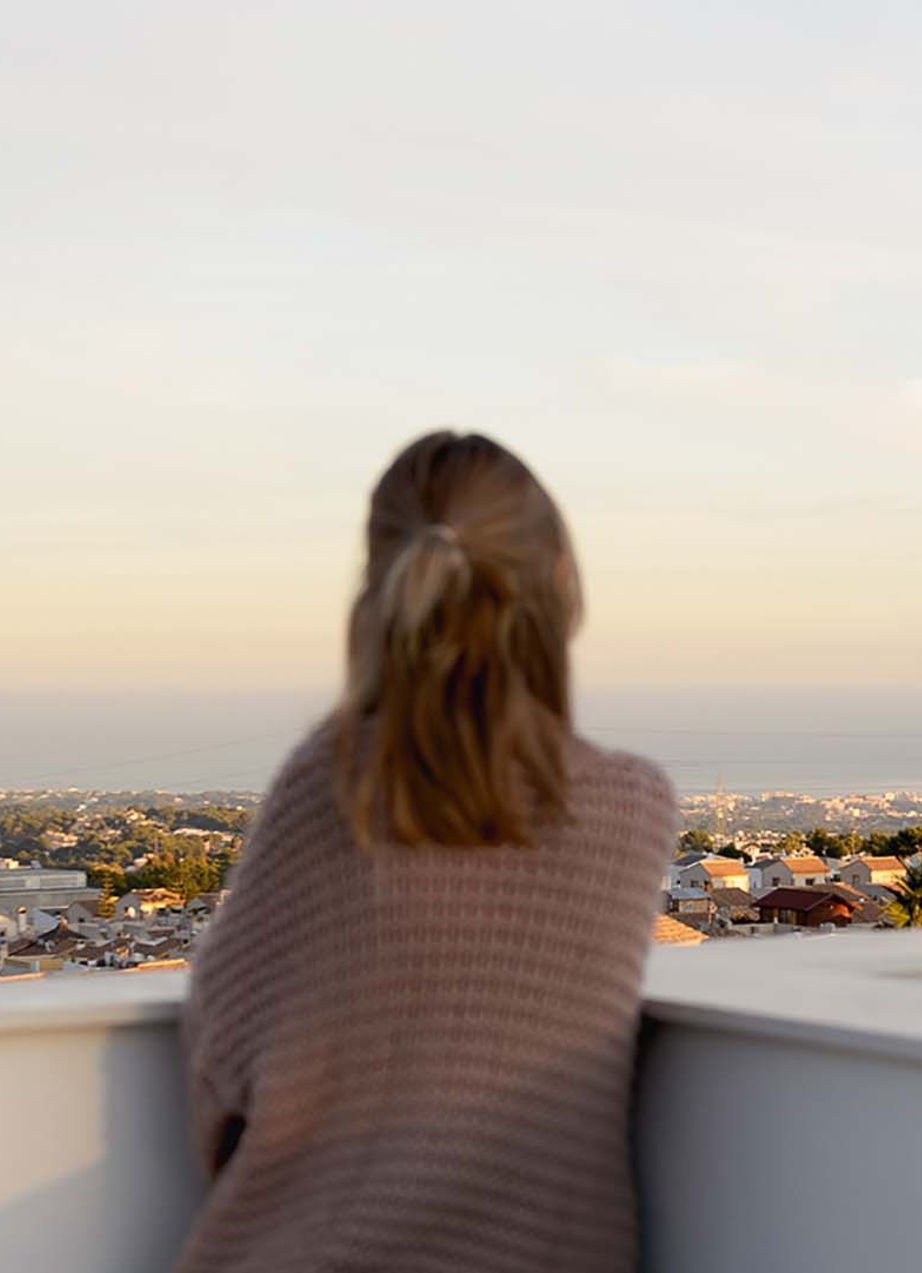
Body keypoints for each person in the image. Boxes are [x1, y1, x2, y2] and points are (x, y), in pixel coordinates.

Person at [178, 432, 677, 1272]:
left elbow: (223, 1047)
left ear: (380, 587)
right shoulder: (632, 806)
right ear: (560, 582)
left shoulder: (332, 784)